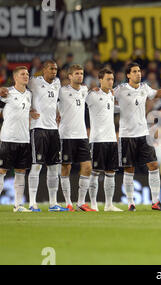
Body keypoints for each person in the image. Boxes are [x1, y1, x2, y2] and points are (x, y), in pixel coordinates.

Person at [0, 61, 67, 212]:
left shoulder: (57, 83)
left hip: (53, 130)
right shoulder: (35, 82)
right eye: (51, 69)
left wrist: (58, 112)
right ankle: (32, 203)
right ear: (44, 70)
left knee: (53, 167)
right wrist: (3, 90)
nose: (54, 72)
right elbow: (18, 85)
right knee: (36, 166)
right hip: (38, 129)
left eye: (56, 69)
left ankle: (53, 203)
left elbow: (54, 101)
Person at [114, 62, 161, 212]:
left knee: (153, 165)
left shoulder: (145, 87)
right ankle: (131, 203)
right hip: (127, 135)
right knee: (129, 169)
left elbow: (157, 93)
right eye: (135, 71)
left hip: (143, 134)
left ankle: (156, 202)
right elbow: (107, 97)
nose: (138, 73)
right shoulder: (121, 89)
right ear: (128, 75)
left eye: (139, 71)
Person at [0, 66, 36, 212]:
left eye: (27, 74)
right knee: (1, 171)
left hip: (24, 139)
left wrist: (32, 113)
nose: (26, 76)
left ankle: (18, 205)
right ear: (15, 77)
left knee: (21, 172)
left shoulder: (29, 94)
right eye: (22, 74)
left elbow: (25, 110)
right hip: (8, 138)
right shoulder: (6, 93)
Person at [85, 68, 123, 212]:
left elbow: (113, 109)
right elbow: (78, 101)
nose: (111, 82)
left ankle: (109, 204)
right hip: (97, 139)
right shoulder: (93, 95)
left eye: (112, 79)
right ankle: (93, 203)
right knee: (95, 172)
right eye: (108, 79)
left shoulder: (111, 96)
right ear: (100, 80)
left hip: (111, 139)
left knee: (110, 172)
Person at [58, 64, 94, 212]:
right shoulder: (62, 91)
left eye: (82, 73)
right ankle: (68, 203)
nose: (80, 76)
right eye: (77, 73)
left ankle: (80, 202)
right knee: (66, 167)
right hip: (66, 135)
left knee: (87, 167)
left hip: (82, 136)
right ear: (70, 76)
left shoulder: (85, 90)